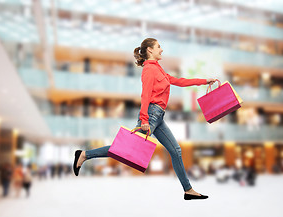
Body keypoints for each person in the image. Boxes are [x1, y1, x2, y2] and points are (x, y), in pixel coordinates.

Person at [73, 38, 216, 200]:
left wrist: (205, 81)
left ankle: (188, 190)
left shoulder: (158, 69)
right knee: (124, 149)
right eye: (159, 47)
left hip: (159, 116)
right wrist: (144, 119)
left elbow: (180, 82)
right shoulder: (149, 70)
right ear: (150, 50)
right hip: (151, 114)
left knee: (176, 150)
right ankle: (85, 155)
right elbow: (145, 95)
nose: (161, 50)